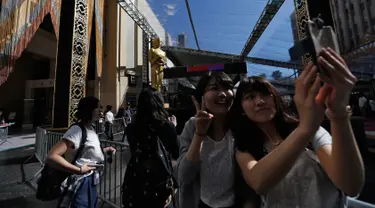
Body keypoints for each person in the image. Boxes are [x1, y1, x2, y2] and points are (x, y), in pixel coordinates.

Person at [231, 48, 364, 207]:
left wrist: (338, 114)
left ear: (275, 99)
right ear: (242, 110)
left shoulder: (314, 133)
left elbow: (350, 185)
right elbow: (258, 181)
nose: (260, 101)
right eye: (250, 97)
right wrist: (305, 128)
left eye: (265, 94)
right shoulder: (244, 149)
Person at [177, 71, 259, 208]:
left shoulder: (241, 126)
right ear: (202, 96)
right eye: (214, 88)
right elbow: (184, 176)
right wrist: (199, 134)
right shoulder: (192, 126)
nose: (223, 94)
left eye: (227, 88)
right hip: (201, 204)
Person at [46, 96, 116, 208]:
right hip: (80, 182)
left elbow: (85, 152)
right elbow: (52, 156)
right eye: (97, 107)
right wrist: (78, 170)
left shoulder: (91, 128)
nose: (101, 110)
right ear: (89, 109)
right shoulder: (77, 130)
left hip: (92, 181)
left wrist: (105, 150)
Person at [122, 87, 179, 208]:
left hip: (136, 181)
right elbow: (176, 152)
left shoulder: (132, 128)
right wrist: (173, 127)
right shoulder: (166, 127)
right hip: (159, 184)